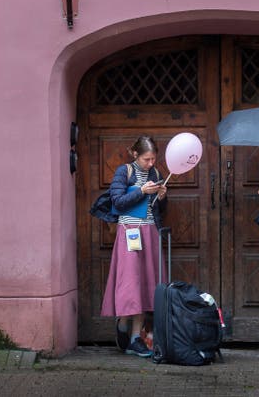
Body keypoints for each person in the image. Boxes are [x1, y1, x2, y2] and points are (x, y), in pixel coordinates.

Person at [100, 136, 168, 357]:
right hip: (129, 231)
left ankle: (135, 338)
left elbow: (157, 208)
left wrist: (161, 196)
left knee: (146, 284)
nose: (151, 163)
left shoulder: (156, 174)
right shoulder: (124, 172)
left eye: (153, 159)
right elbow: (117, 201)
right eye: (147, 159)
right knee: (131, 283)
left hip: (149, 231)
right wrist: (142, 191)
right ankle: (123, 323)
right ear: (135, 155)